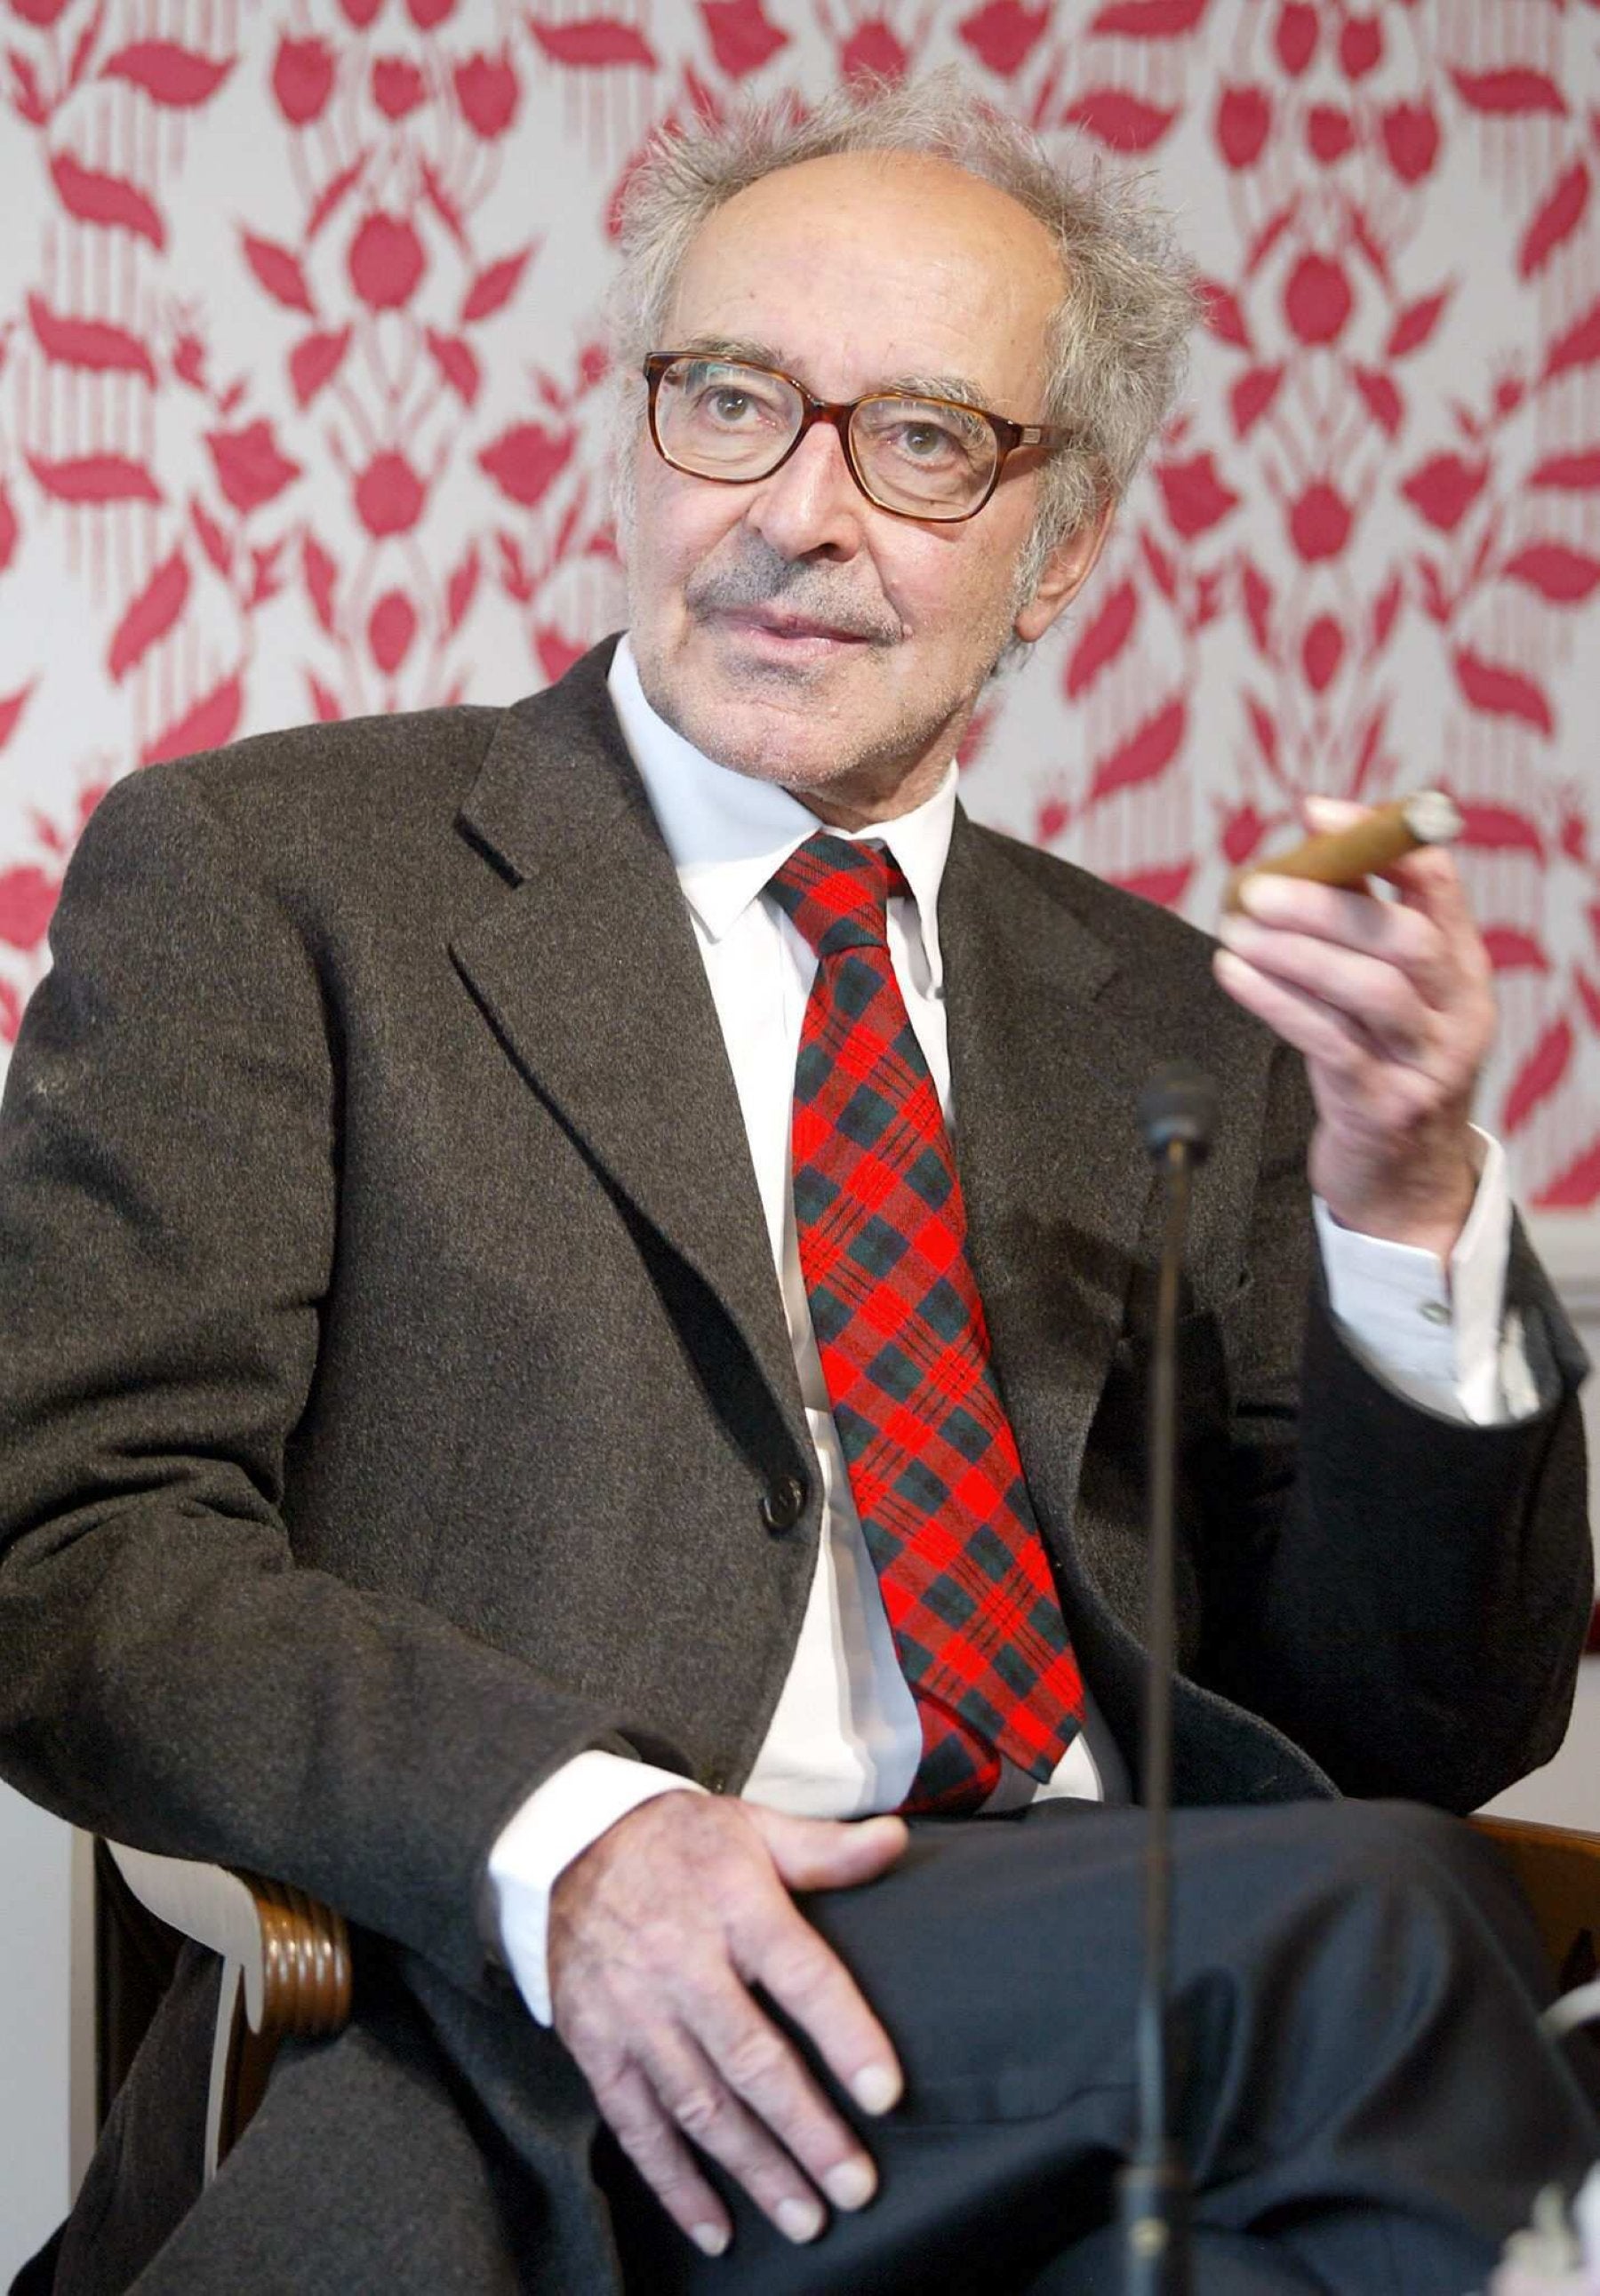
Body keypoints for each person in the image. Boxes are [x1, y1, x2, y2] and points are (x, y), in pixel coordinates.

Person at [0, 74, 1595, 2296]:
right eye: (734, 400)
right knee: (1405, 1947)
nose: (801, 513)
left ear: (1062, 546)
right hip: (551, 2069)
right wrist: (576, 1840)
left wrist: (1408, 1203)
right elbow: (71, 1546)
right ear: (637, 440)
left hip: (1101, 2044)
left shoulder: (1195, 1027)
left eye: (922, 440)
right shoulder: (280, 878)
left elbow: (1427, 1720)